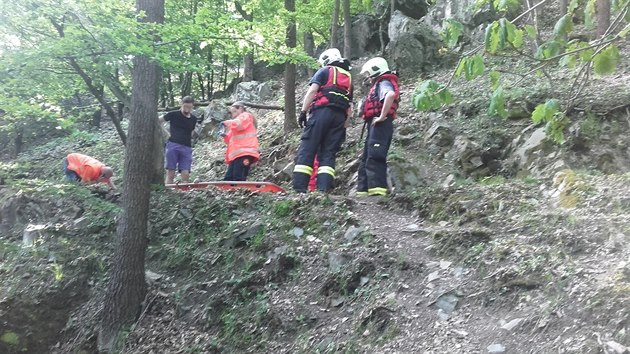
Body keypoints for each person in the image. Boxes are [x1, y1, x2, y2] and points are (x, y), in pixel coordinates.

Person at [293, 48, 353, 193]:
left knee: (308, 147)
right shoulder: (348, 78)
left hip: (322, 112)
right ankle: (323, 190)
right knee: (328, 153)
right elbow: (350, 108)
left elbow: (313, 91)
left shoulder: (325, 71)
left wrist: (303, 111)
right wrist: (344, 126)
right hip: (339, 117)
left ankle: (299, 189)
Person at [356, 57, 400, 197]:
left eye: (369, 74)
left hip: (381, 125)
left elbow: (391, 95)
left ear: (376, 71)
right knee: (366, 157)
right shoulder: (379, 84)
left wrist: (381, 116)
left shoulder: (384, 83)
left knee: (375, 156)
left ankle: (377, 193)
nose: (368, 78)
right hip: (374, 125)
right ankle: (363, 191)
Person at [159, 96, 198, 184]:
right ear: (181, 104)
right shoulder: (173, 114)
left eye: (189, 107)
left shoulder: (193, 119)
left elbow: (191, 131)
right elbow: (158, 121)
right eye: (185, 106)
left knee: (186, 172)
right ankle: (169, 192)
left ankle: (185, 192)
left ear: (192, 106)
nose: (187, 109)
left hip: (187, 147)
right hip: (173, 145)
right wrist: (166, 133)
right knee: (171, 172)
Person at [222, 102, 260, 181]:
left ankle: (238, 191)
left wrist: (227, 123)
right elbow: (230, 139)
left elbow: (239, 125)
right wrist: (224, 135)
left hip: (245, 151)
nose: (233, 115)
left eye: (235, 112)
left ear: (241, 109)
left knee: (238, 177)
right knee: (228, 178)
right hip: (236, 154)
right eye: (232, 113)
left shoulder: (246, 116)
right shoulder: (235, 122)